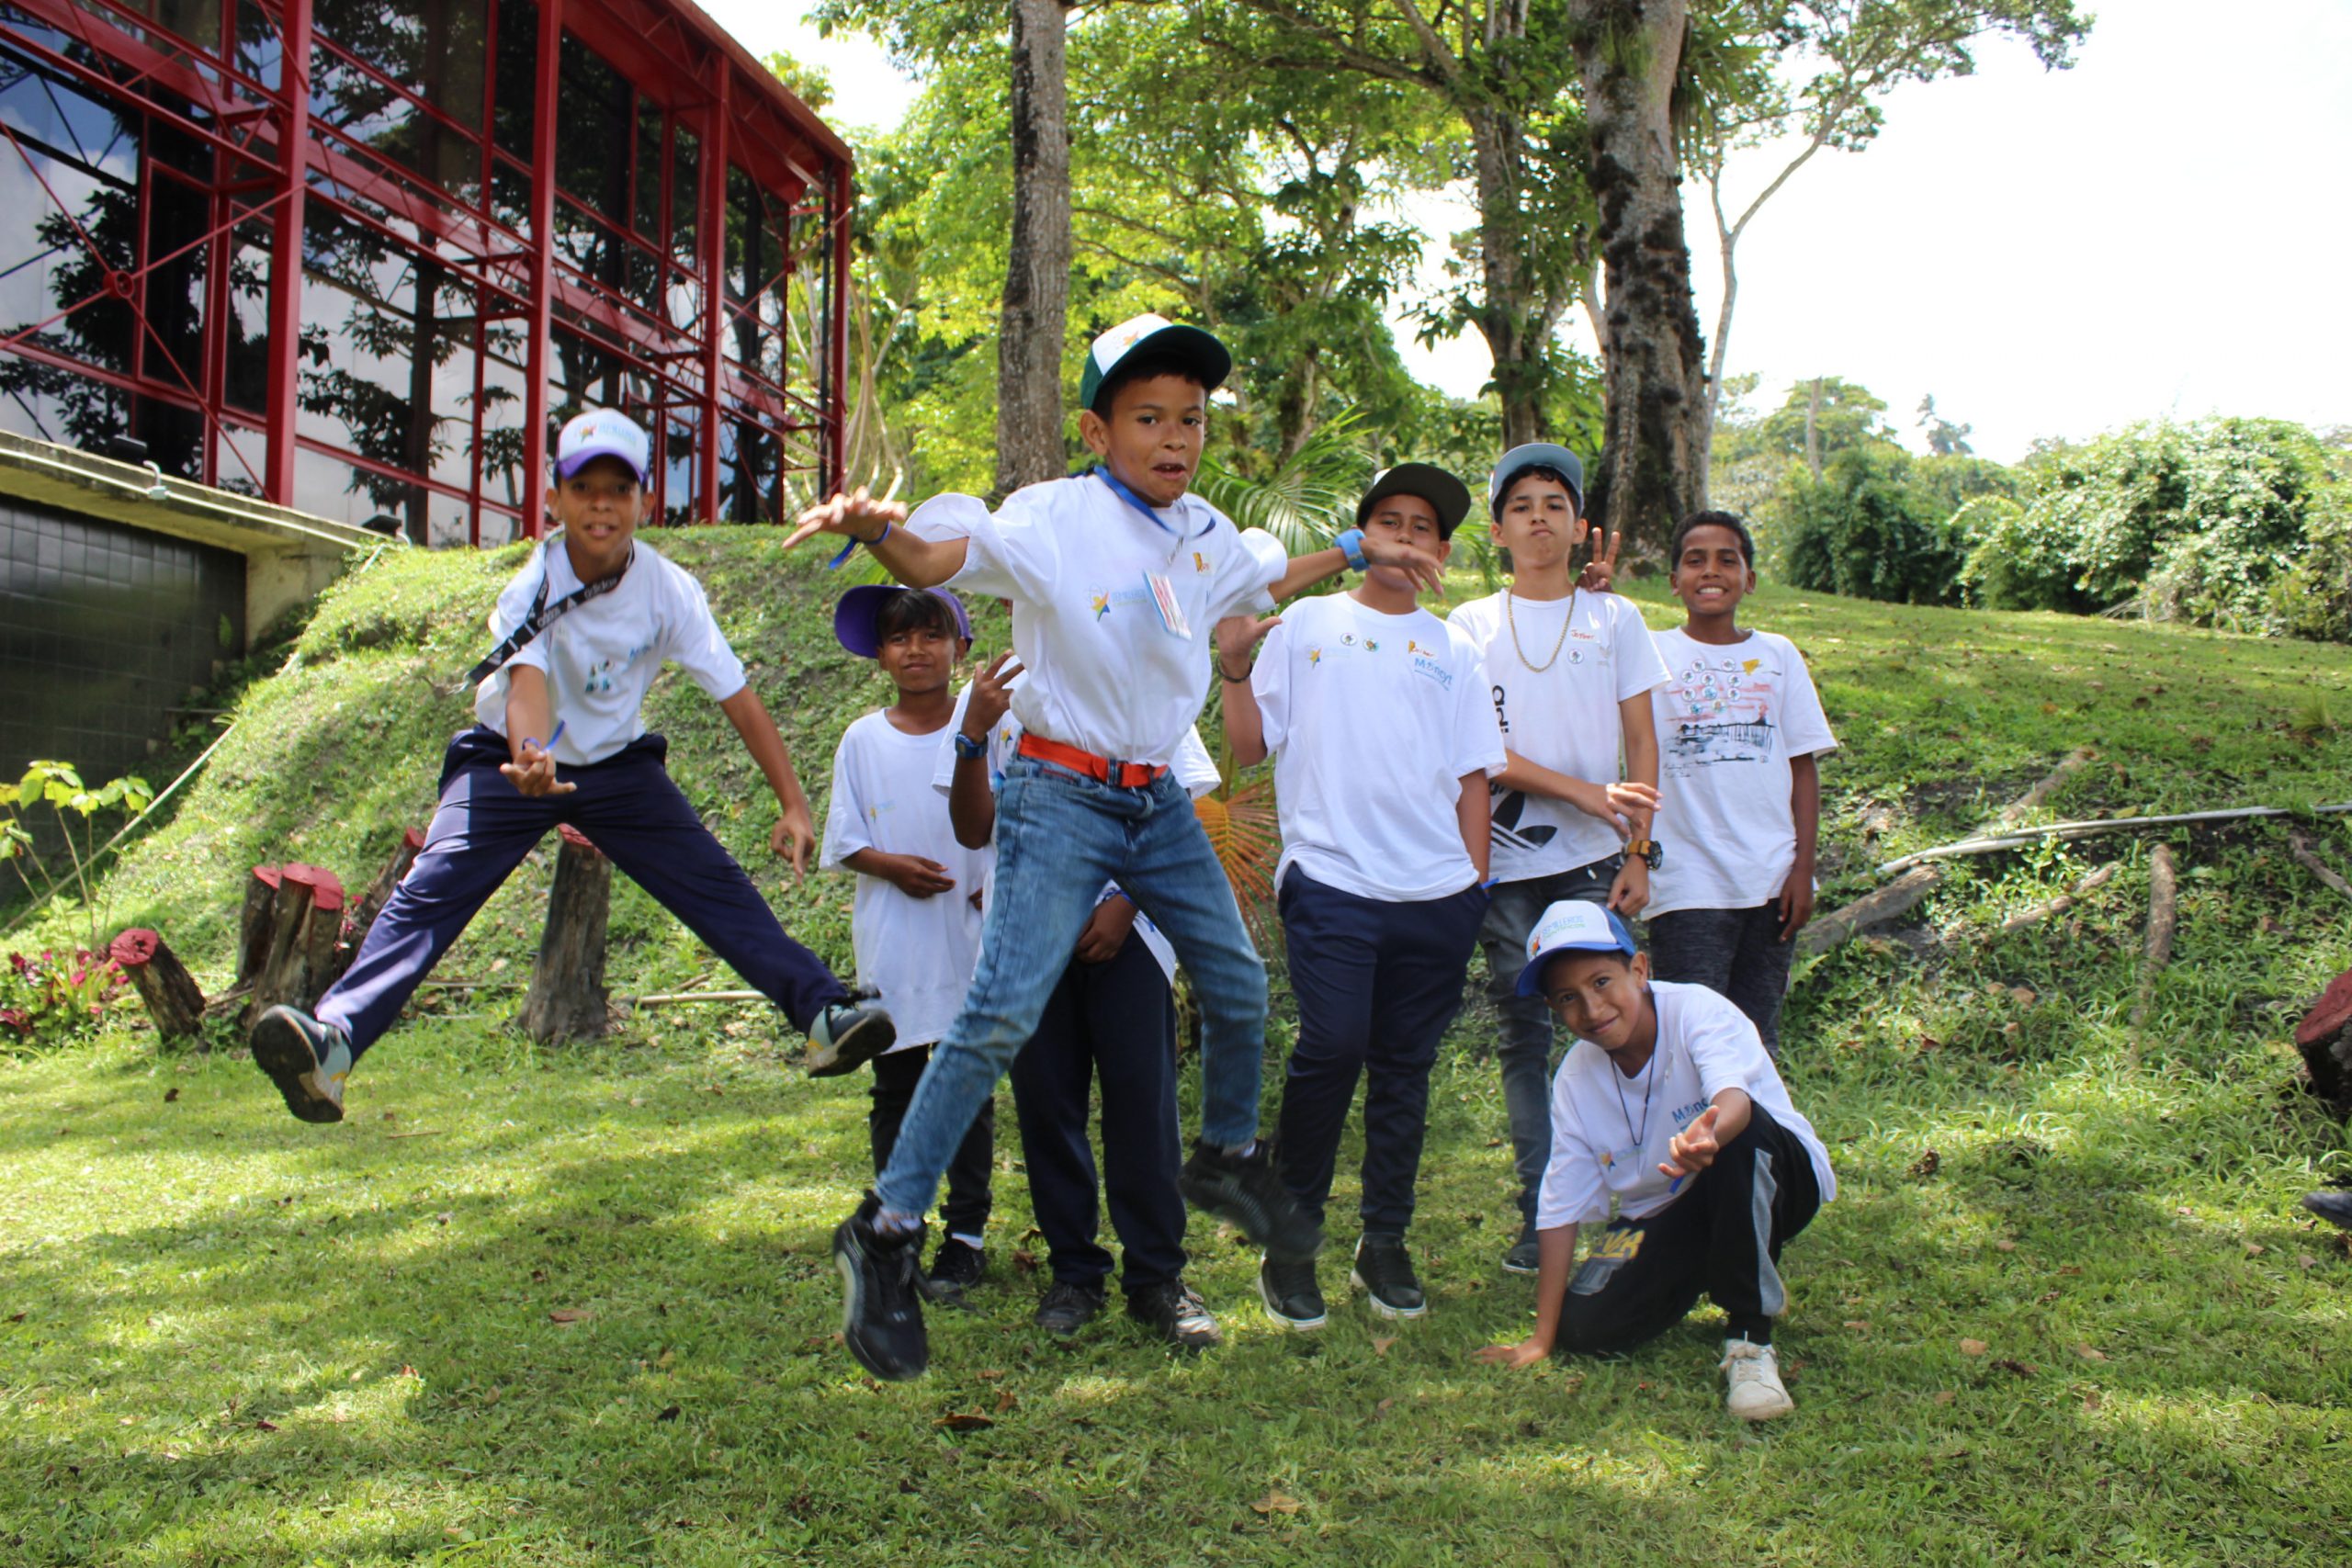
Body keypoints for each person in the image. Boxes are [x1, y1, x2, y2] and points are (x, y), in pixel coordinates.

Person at [787, 312, 1445, 1380]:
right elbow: (937, 554)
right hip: (1057, 790)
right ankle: (888, 1227)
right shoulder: (1051, 518)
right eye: (1148, 418)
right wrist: (876, 535)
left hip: (1154, 796)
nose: (1174, 436)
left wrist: (1357, 551)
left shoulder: (1205, 532)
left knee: (1236, 981)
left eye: (1189, 418)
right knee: (1000, 1016)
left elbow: (1261, 578)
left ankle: (1224, 1157)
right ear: (1098, 431)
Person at [247, 410, 891, 1122]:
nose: (601, 505)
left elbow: (736, 695)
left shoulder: (669, 590)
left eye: (619, 489)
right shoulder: (532, 584)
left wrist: (792, 802)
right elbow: (526, 685)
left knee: (716, 885)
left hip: (618, 772)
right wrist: (529, 759)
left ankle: (823, 1015)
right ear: (554, 499)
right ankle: (333, 1041)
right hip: (509, 764)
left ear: (646, 501)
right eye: (584, 488)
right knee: (433, 885)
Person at [1216, 464, 1504, 1329]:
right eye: (1390, 521)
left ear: (1443, 549)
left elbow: (1473, 776)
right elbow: (1251, 747)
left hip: (1438, 893)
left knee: (1405, 1071)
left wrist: (1473, 885)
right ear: (1362, 534)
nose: (1406, 539)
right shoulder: (1307, 621)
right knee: (1332, 1047)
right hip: (1333, 877)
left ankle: (1385, 1240)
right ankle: (1291, 1241)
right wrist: (1234, 668)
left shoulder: (1454, 647)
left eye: (1423, 527)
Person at [936, 646, 1227, 1349]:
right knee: (1048, 1105)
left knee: (1142, 1105)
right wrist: (973, 731)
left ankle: (1157, 1276)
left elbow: (1190, 805)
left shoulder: (1145, 676)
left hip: (1131, 930)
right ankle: (1074, 1272)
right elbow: (973, 828)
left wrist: (1127, 902)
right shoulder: (995, 692)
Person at [1476, 900, 1835, 1422]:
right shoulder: (1574, 1079)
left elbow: (1733, 1100)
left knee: (1741, 1133)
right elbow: (1560, 1206)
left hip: (1775, 1175)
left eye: (1602, 982)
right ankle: (1718, 1256)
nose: (1592, 1009)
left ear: (1639, 969)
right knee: (1586, 1328)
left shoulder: (1696, 1010)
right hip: (1667, 1207)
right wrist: (1541, 1337)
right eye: (1569, 998)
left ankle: (1750, 1341)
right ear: (1554, 1008)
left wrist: (1709, 1134)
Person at [1447, 445, 1667, 1275]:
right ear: (1497, 530)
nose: (1539, 517)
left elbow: (1643, 741)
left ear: (1580, 528)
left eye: (1555, 504)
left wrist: (1638, 848)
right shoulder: (1470, 624)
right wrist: (1583, 791)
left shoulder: (1616, 619)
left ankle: (1637, 1205)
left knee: (1616, 1028)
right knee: (1523, 1037)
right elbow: (1478, 747)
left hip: (1595, 862)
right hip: (1503, 868)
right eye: (1522, 506)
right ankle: (1543, 1211)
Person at [820, 585, 997, 1299]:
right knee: (895, 1085)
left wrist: (997, 880)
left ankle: (967, 1235)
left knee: (967, 1089)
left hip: (970, 937)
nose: (916, 651)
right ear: (880, 654)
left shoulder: (987, 724)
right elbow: (846, 839)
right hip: (895, 938)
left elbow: (1014, 815)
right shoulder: (864, 739)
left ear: (961, 646)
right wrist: (891, 865)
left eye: (931, 635)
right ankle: (900, 1225)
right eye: (899, 638)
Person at [1644, 511, 1838, 1057]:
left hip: (1770, 881)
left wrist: (1803, 869)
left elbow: (1803, 766)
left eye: (1727, 560)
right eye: (1695, 560)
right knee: (1690, 1042)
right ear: (1674, 580)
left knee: (1757, 1039)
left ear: (1749, 579)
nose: (1711, 571)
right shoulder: (1648, 653)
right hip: (1686, 883)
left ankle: (1758, 1119)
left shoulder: (1778, 655)